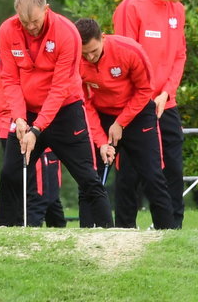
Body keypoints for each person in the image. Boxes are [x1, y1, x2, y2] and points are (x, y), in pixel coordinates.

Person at [0, 0, 112, 227]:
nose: (30, 27)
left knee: (87, 177)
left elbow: (60, 88)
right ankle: (5, 233)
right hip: (27, 112)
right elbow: (9, 79)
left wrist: (37, 130)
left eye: (35, 21)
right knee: (10, 173)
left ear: (46, 10)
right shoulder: (7, 30)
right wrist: (18, 118)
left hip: (65, 111)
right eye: (24, 21)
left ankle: (108, 233)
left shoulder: (67, 32)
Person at [112, 0, 198, 228]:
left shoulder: (178, 11)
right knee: (130, 171)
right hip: (136, 105)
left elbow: (180, 55)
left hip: (167, 103)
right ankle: (125, 229)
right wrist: (147, 96)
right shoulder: (131, 7)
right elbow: (124, 58)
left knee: (173, 167)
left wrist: (166, 92)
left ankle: (172, 228)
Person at [75, 18, 176, 229]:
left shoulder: (129, 50)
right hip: (102, 115)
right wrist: (102, 142)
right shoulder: (75, 60)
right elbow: (84, 104)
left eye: (93, 51)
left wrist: (120, 123)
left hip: (137, 113)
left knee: (152, 175)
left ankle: (168, 231)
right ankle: (92, 231)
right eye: (85, 54)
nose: (90, 57)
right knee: (89, 176)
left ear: (102, 38)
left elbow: (145, 91)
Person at [0, 47, 66, 227]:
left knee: (44, 190)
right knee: (13, 180)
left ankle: (50, 229)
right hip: (11, 130)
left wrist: (38, 126)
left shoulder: (39, 51)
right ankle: (13, 229)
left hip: (37, 126)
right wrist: (1, 127)